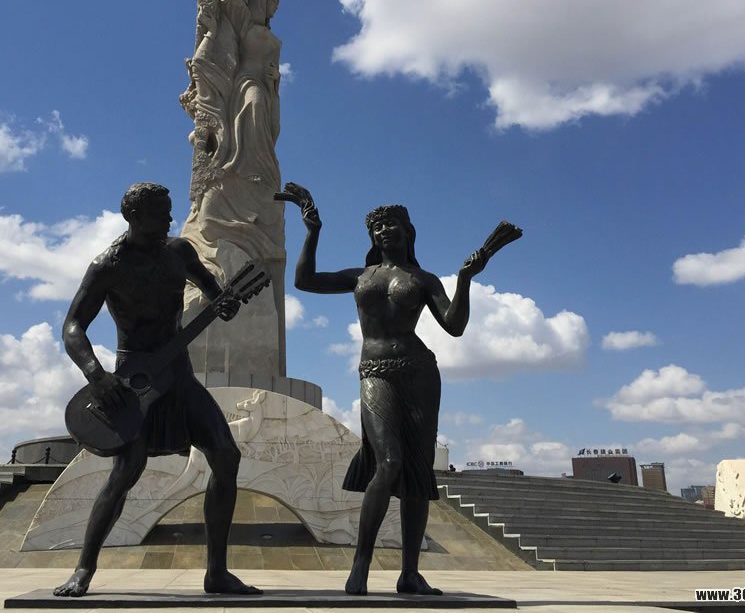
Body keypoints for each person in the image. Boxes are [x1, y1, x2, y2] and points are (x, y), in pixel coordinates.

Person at [53, 182, 260, 598]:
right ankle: (83, 569)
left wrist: (224, 302)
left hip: (178, 375)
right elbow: (73, 326)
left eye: (168, 211)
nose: (169, 219)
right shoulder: (107, 266)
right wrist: (96, 374)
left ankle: (217, 572)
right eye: (160, 213)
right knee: (125, 472)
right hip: (132, 381)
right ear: (133, 216)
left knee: (226, 455)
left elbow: (212, 290)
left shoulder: (179, 252)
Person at [287, 183, 492, 596]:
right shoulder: (360, 276)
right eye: (377, 227)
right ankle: (360, 564)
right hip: (375, 372)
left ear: (407, 231)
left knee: (416, 470)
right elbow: (305, 281)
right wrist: (313, 231)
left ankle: (409, 573)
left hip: (419, 374)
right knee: (389, 461)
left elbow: (454, 326)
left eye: (391, 224)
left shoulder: (423, 279)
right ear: (371, 236)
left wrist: (465, 279)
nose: (383, 231)